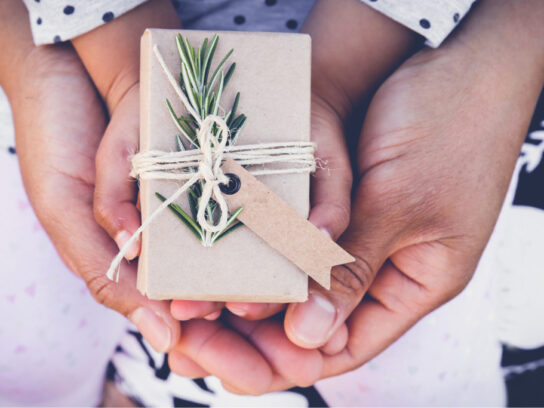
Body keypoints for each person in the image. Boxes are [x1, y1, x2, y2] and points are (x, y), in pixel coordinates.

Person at [1, 0, 543, 405]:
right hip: (92, 61)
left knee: (415, 379)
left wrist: (330, 84)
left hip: (386, 73)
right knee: (24, 355)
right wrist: (126, 75)